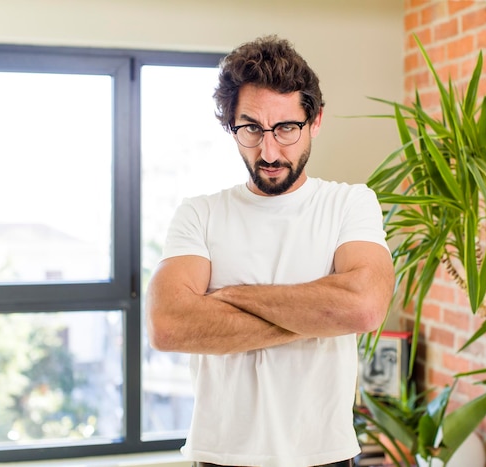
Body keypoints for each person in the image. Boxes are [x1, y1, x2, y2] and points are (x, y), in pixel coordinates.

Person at [145, 35, 395, 467]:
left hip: (324, 455)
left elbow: (365, 308)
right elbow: (169, 325)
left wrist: (228, 298)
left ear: (314, 121)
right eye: (251, 129)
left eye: (286, 128)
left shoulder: (350, 203)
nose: (269, 150)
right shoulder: (199, 214)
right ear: (231, 126)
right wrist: (319, 315)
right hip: (222, 456)